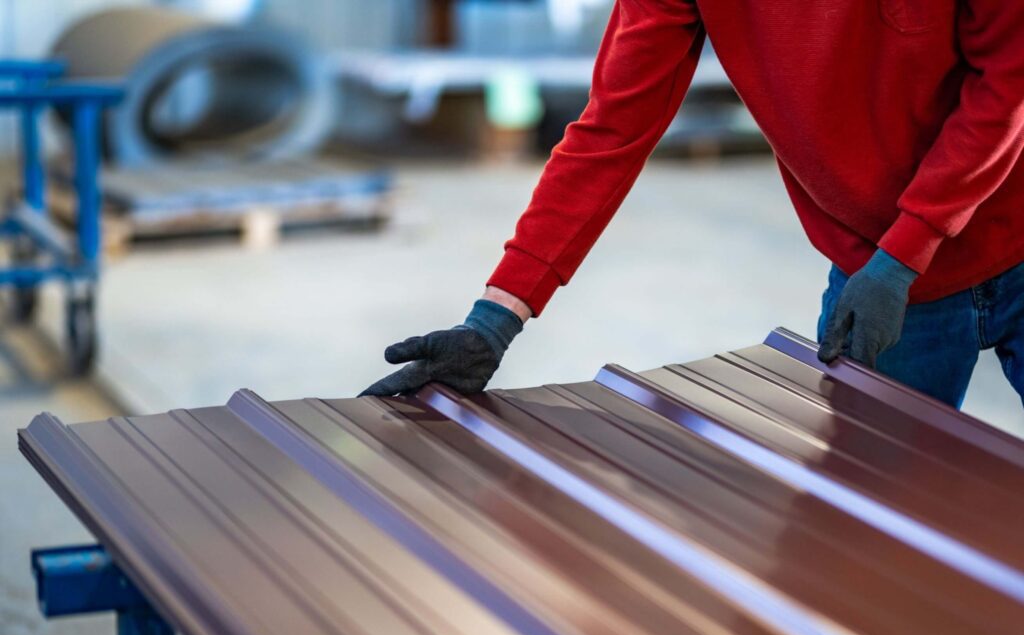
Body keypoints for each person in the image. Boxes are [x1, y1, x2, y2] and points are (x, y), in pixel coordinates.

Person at [363, 0, 1024, 409]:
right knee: (875, 542)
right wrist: (494, 320)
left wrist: (907, 251)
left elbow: (1010, 80)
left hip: (999, 239)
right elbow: (611, 131)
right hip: (879, 279)